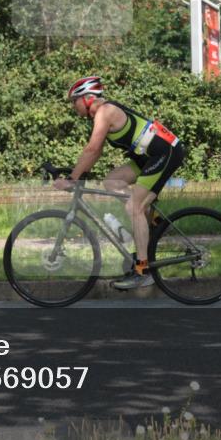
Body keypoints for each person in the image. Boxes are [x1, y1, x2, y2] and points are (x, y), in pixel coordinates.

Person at [53, 75, 186, 289]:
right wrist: (77, 173)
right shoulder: (100, 115)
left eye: (74, 101)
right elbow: (95, 154)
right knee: (112, 181)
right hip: (147, 157)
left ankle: (143, 271)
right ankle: (153, 222)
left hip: (165, 152)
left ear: (87, 98)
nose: (73, 106)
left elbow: (92, 149)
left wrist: (72, 179)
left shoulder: (105, 112)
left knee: (135, 207)